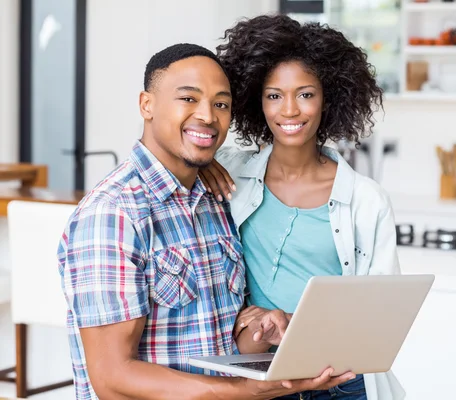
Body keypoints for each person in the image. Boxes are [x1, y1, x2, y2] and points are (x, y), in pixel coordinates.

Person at [58, 43, 355, 400]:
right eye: (188, 99)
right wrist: (243, 391)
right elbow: (112, 378)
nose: (208, 116)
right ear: (146, 105)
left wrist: (259, 325)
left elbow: (214, 332)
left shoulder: (215, 199)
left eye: (221, 104)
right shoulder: (114, 213)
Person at [199, 15, 405, 400]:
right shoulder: (230, 172)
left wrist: (295, 326)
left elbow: (382, 318)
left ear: (328, 98)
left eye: (305, 94)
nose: (289, 110)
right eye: (274, 95)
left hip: (338, 380)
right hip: (258, 377)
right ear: (256, 101)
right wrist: (203, 161)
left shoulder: (365, 199)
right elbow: (170, 156)